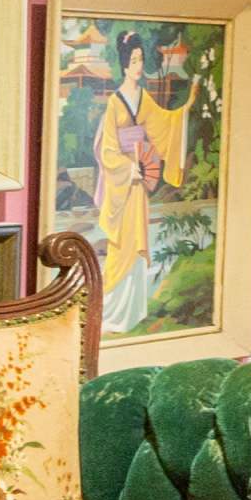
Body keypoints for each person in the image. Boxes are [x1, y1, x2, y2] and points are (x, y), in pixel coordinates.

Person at [89, 35, 186, 336]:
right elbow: (106, 147)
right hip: (124, 178)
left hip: (140, 178)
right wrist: (125, 167)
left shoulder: (144, 98)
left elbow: (163, 123)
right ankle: (113, 311)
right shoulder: (114, 102)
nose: (138, 66)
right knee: (122, 243)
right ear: (123, 64)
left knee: (139, 238)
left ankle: (134, 311)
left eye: (141, 59)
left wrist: (185, 111)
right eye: (133, 61)